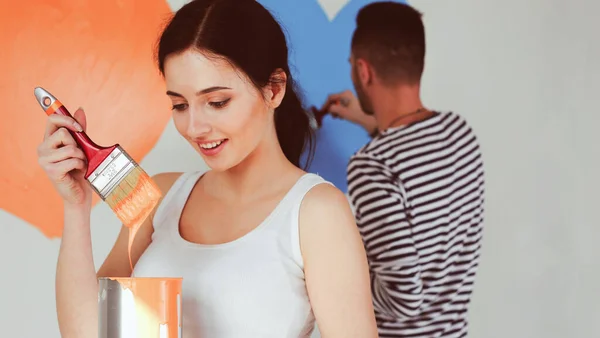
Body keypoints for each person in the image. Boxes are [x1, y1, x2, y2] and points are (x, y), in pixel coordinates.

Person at [36, 0, 379, 337]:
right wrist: (76, 206)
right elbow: (86, 331)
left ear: (274, 89)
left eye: (217, 102)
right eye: (180, 105)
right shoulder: (159, 196)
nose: (195, 127)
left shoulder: (316, 212)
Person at [320, 2, 486, 337]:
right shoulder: (459, 133)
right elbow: (412, 158)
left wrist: (328, 272)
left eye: (352, 65)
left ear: (364, 71)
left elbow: (401, 301)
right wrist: (369, 122)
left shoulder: (373, 166)